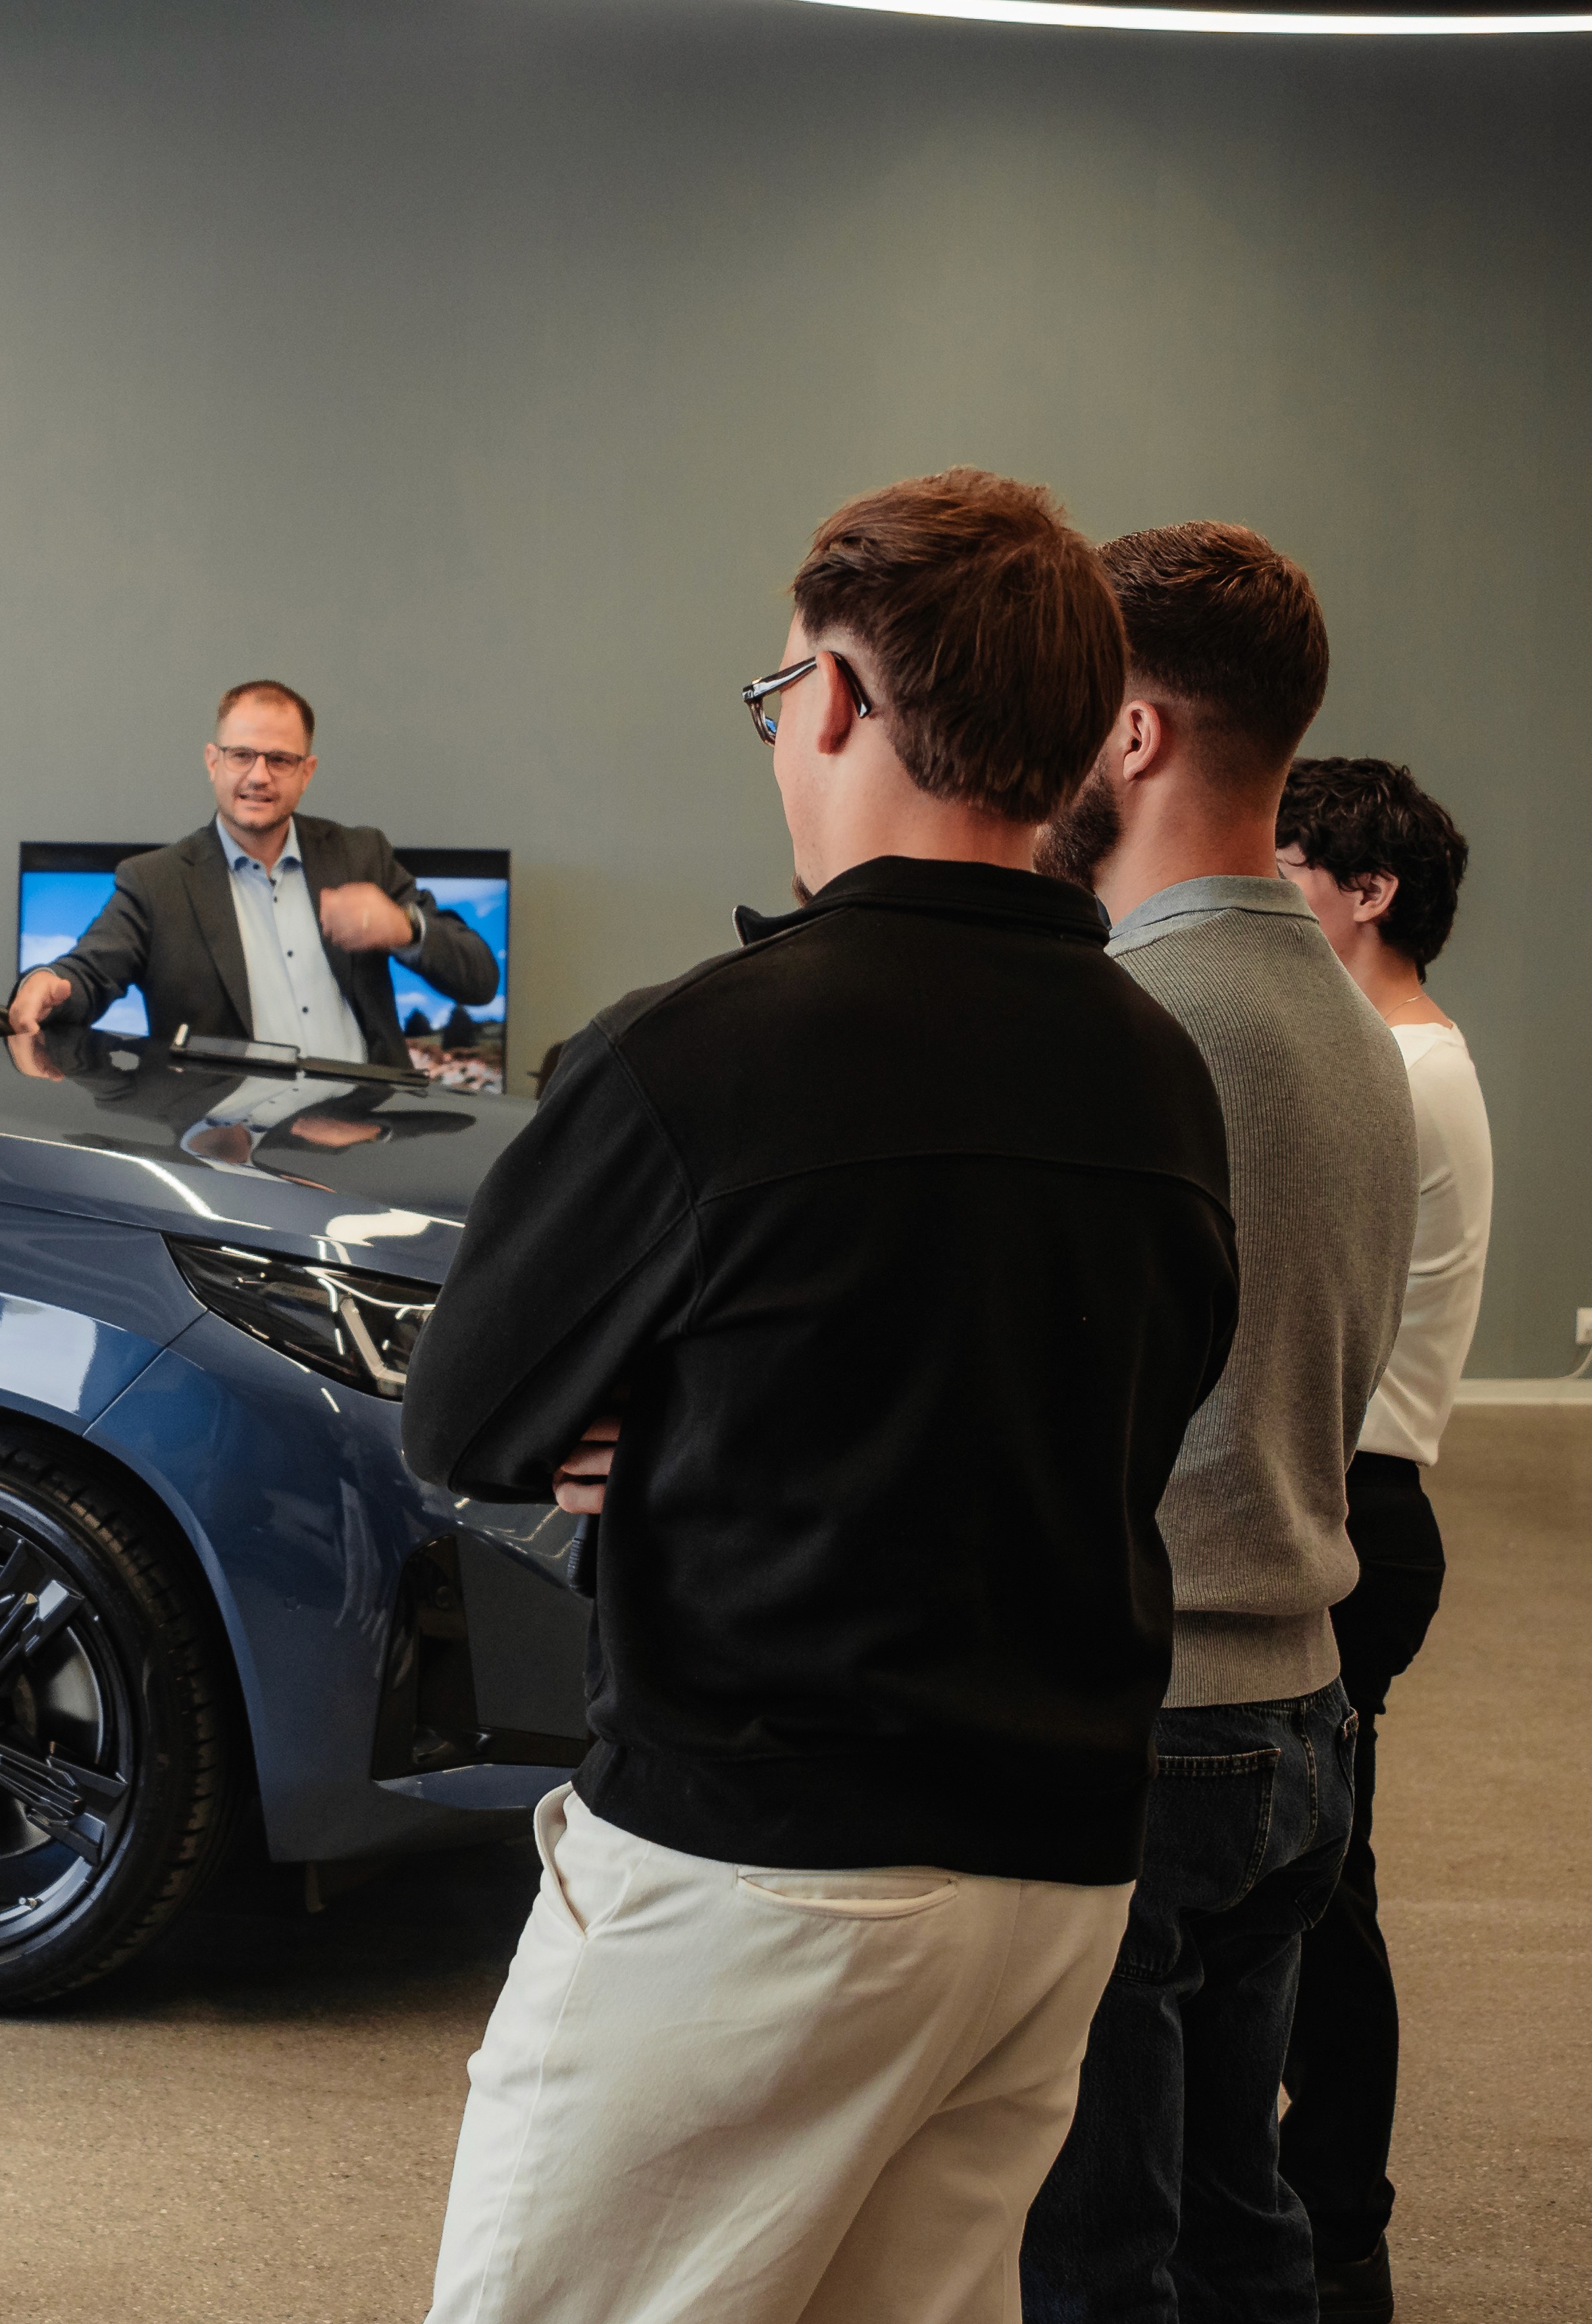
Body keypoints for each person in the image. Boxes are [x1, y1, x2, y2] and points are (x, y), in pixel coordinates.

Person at [400, 468, 1241, 2324]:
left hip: (759, 1869)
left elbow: (460, 1421)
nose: (783, 740)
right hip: (1058, 1879)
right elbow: (1125, 1398)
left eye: (784, 699)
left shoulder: (695, 1057)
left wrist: (681, 1427)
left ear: (843, 705)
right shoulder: (1158, 1076)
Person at [1021, 527, 1419, 2324]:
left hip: (1160, 1712)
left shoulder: (1136, 1021)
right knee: (1235, 2217)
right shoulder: (1355, 1020)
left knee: (1102, 2249)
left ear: (1135, 733)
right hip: (1298, 1712)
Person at [1272, 758, 1490, 2324]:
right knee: (1310, 1880)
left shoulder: (1392, 1072)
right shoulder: (1390, 1056)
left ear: (1368, 892)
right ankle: (1323, 2213)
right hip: (1349, 1501)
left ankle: (1339, 2225)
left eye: (1286, 866)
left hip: (1354, 1506)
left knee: (1315, 1895)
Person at [4, 681, 494, 1066]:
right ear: (213, 762)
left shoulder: (361, 856)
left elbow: (480, 978)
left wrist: (404, 928)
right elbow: (88, 973)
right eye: (241, 756)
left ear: (307, 773)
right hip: (229, 1153)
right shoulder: (155, 883)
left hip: (362, 1138)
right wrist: (52, 981)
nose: (258, 776)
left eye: (280, 760)